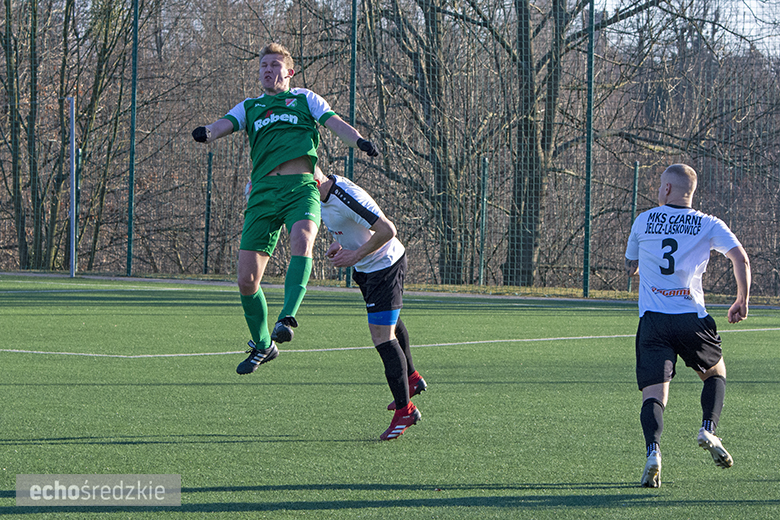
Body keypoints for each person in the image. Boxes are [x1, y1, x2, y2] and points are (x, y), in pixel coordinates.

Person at [192, 42, 379, 375]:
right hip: (263, 192)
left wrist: (359, 141)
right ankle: (264, 345)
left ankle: (287, 316)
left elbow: (335, 123)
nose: (268, 69)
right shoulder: (251, 106)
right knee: (246, 281)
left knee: (303, 241)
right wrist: (207, 133)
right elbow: (224, 124)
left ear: (289, 71)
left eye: (275, 65)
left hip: (300, 188)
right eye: (264, 65)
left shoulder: (304, 98)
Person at [625, 164, 751, 488]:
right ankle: (708, 428)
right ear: (690, 192)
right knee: (715, 374)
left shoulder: (644, 220)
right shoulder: (707, 223)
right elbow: (741, 258)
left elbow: (630, 266)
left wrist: (645, 271)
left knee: (654, 395)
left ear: (666, 189)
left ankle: (653, 453)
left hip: (653, 320)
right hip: (691, 319)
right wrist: (742, 300)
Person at [314, 167, 427, 441]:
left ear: (313, 179)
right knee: (390, 323)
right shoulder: (320, 195)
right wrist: (340, 243)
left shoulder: (344, 195)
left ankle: (405, 411)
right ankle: (411, 379)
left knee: (381, 335)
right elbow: (353, 224)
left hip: (384, 265)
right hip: (367, 267)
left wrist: (354, 255)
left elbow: (387, 229)